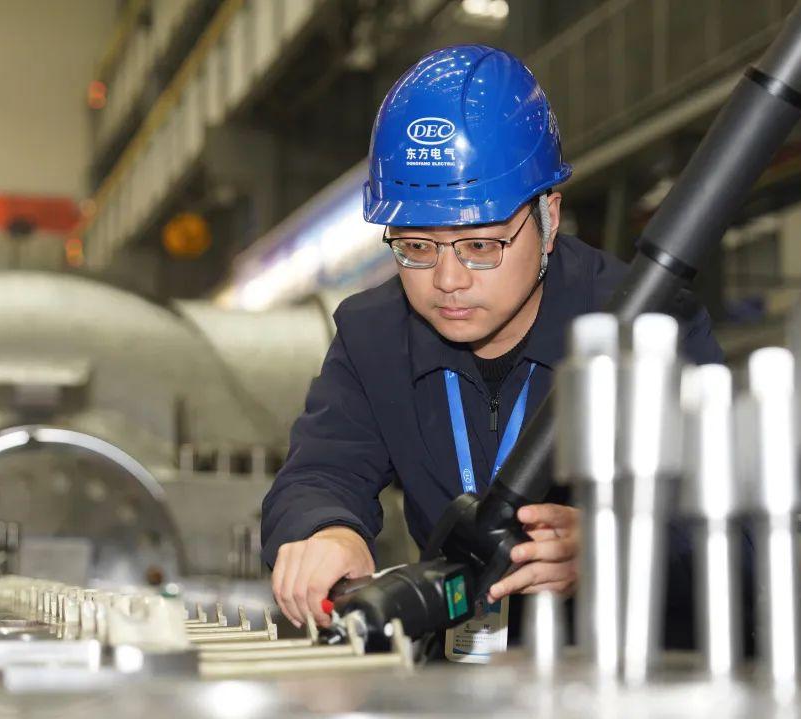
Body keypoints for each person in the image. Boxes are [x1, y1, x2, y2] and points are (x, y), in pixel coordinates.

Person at [262, 45, 723, 643]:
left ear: (548, 218)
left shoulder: (645, 326)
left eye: (480, 245)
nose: (447, 280)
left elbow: (737, 529)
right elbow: (318, 473)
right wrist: (327, 531)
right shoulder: (373, 335)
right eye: (416, 247)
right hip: (457, 672)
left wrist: (617, 546)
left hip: (631, 664)